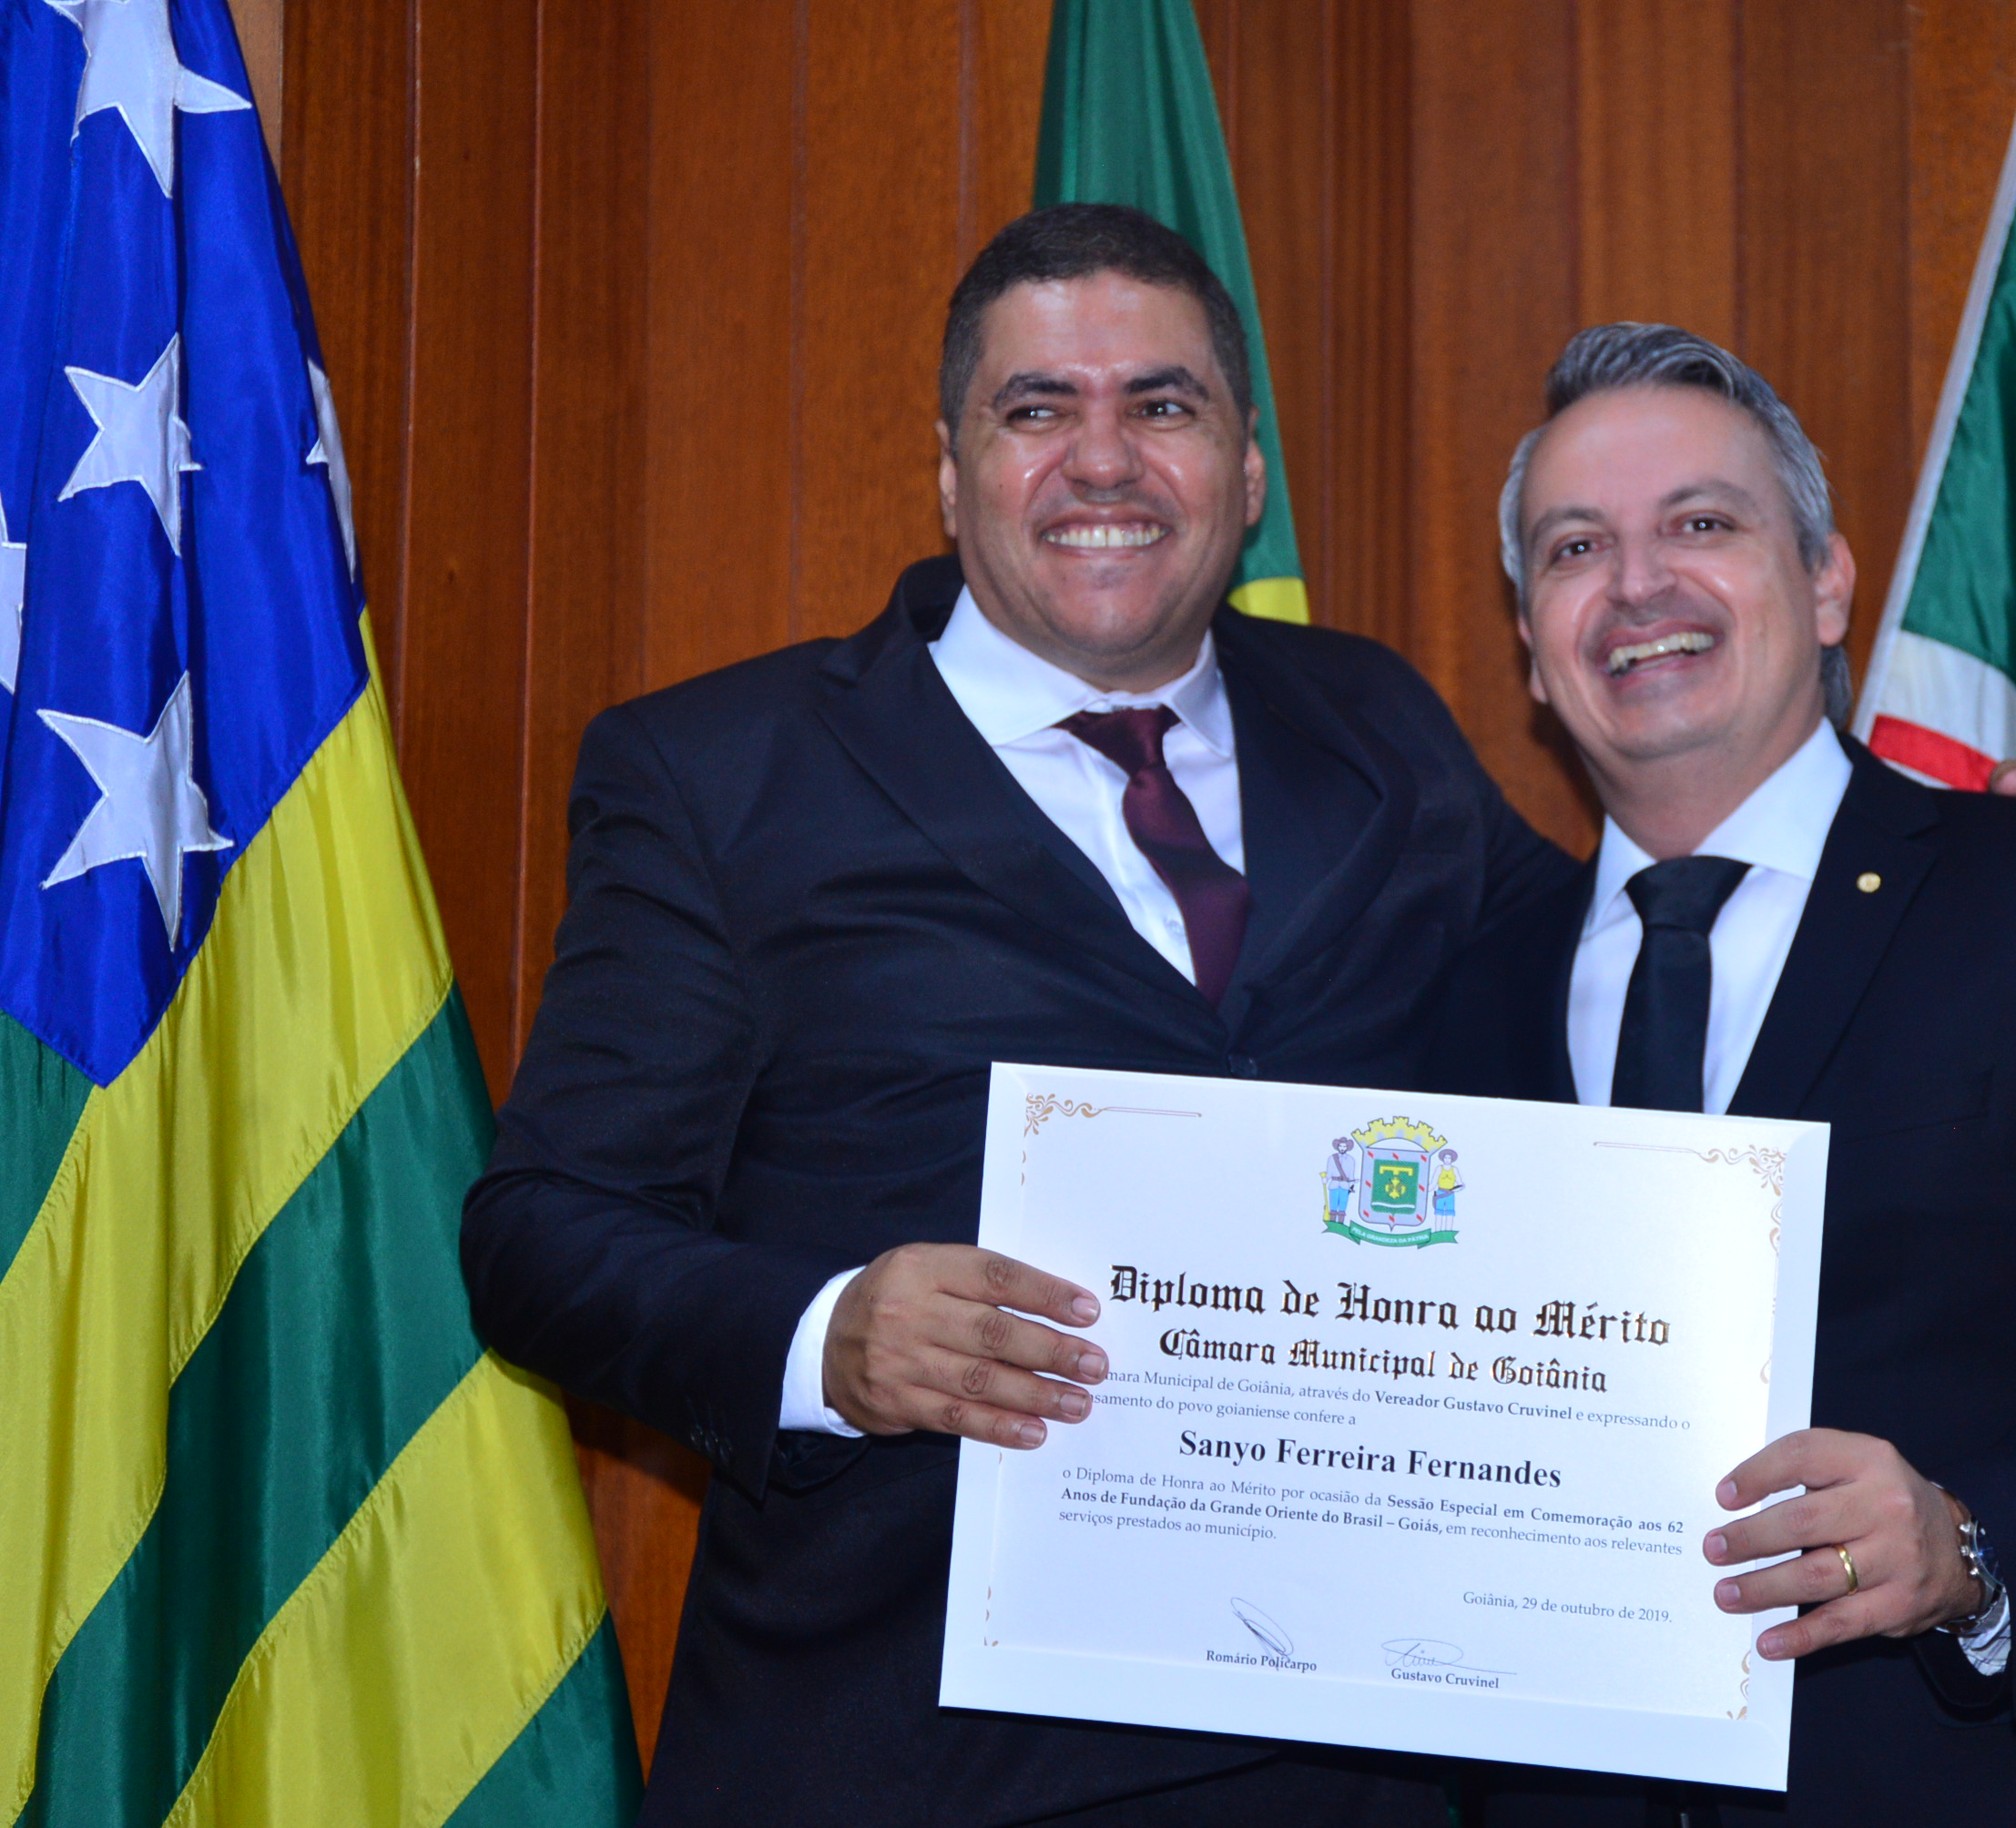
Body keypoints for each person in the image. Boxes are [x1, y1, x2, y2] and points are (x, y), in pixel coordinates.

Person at [460, 204, 1573, 1825]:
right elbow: (542, 1235)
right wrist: (828, 1336)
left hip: (1345, 1758)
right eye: (1038, 408)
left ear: (1246, 472)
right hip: (907, 1752)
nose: (1102, 461)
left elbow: (1609, 987)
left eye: (1163, 406)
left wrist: (1903, 856)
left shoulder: (1378, 724)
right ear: (952, 470)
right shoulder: (719, 774)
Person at [1441, 323, 2016, 1824]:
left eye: (1701, 525)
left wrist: (1972, 1545)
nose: (1638, 585)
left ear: (1828, 582)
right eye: (1576, 548)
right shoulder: (1460, 993)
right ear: (1532, 639)